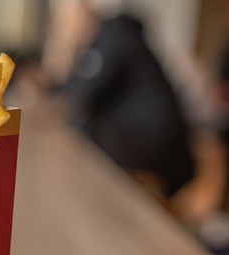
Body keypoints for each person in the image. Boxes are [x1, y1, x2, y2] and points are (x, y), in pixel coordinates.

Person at [52, 5, 195, 198]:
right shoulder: (103, 42)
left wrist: (63, 52)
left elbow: (81, 93)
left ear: (83, 15)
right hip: (141, 144)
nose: (66, 32)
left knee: (80, 177)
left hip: (152, 150)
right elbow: (75, 86)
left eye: (66, 25)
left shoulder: (115, 37)